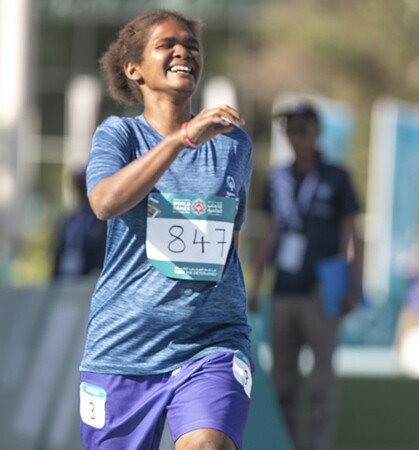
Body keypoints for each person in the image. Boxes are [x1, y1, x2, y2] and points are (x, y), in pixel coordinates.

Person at [79, 10, 253, 450]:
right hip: (123, 348)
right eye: (168, 45)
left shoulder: (234, 144)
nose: (184, 52)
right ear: (133, 68)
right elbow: (103, 202)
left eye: (192, 46)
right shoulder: (118, 135)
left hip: (212, 343)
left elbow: (229, 236)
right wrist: (182, 139)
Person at [247, 102, 363, 450]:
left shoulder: (336, 176)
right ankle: (289, 444)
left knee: (321, 383)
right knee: (282, 381)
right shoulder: (277, 177)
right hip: (283, 291)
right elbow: (269, 232)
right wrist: (255, 284)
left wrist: (353, 285)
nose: (294, 136)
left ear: (316, 132)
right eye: (289, 129)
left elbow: (352, 234)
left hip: (321, 291)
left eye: (301, 129)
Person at [52, 166, 106, 280]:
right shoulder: (71, 220)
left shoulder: (102, 220)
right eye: (80, 187)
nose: (82, 192)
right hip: (66, 276)